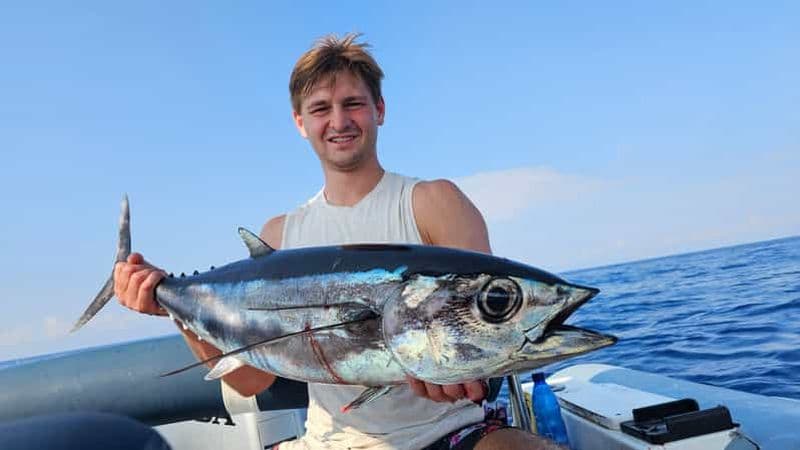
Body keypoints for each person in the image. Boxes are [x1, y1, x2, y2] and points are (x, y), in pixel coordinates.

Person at [115, 33, 564, 450]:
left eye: (353, 103)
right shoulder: (280, 237)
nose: (339, 121)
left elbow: (486, 336)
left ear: (379, 110)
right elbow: (251, 382)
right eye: (320, 108)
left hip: (451, 430)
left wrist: (473, 382)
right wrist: (170, 306)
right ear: (299, 122)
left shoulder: (433, 202)